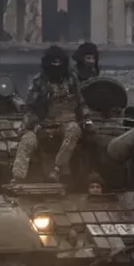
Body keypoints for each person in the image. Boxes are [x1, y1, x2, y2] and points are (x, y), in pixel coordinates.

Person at [11, 45, 86, 183]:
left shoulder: (71, 79)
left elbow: (80, 102)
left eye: (59, 62)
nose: (57, 65)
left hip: (66, 123)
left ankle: (57, 169)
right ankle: (17, 178)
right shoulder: (39, 81)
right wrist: (37, 127)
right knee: (27, 140)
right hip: (43, 124)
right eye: (54, 62)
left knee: (74, 130)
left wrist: (86, 121)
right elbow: (29, 108)